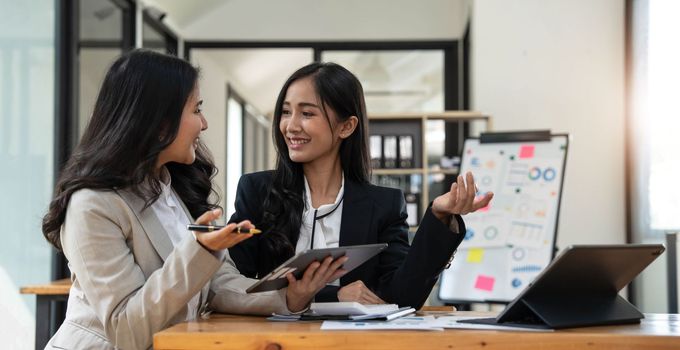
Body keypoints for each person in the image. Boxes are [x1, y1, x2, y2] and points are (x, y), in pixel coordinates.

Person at [40, 50, 345, 350]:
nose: (204, 124)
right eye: (196, 109)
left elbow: (217, 285)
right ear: (159, 121)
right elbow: (127, 331)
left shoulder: (170, 189)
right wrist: (198, 250)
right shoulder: (92, 206)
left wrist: (291, 297)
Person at [228, 62, 493, 309]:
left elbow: (403, 296)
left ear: (346, 127)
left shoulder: (384, 205)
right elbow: (234, 286)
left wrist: (438, 216)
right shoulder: (257, 191)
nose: (290, 125)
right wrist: (335, 296)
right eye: (286, 112)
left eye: (307, 113)